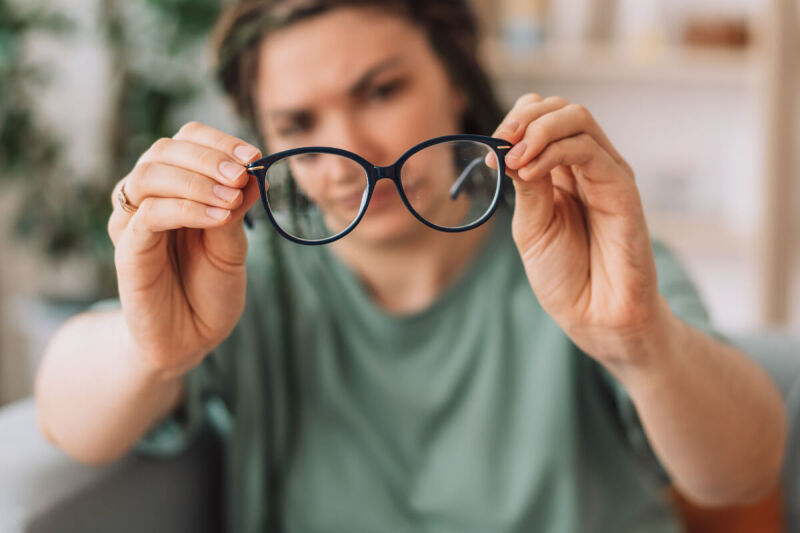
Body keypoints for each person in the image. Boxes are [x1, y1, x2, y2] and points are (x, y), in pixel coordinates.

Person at [35, 1, 786, 531]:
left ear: (456, 80)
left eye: (382, 90)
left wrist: (639, 341)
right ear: (263, 140)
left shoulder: (594, 261)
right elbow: (68, 416)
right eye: (298, 122)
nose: (351, 149)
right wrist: (150, 350)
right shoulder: (248, 282)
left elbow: (745, 471)